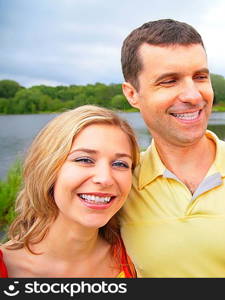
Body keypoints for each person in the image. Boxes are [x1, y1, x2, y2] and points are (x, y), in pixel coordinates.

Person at [119, 19, 225, 277]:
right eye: (169, 81)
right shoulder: (121, 183)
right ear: (132, 94)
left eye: (200, 77)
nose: (193, 95)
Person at [0, 105, 139, 277]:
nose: (105, 179)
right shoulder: (7, 267)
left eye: (120, 164)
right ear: (47, 168)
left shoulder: (136, 259)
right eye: (84, 159)